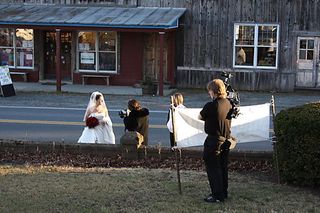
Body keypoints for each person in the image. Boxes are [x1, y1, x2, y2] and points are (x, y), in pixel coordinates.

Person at [199, 79, 233, 203]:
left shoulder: (211, 105)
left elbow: (200, 116)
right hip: (226, 140)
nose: (209, 93)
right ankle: (223, 192)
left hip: (214, 141)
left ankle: (217, 195)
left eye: (209, 91)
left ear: (213, 91)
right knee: (222, 167)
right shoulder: (229, 103)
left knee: (213, 168)